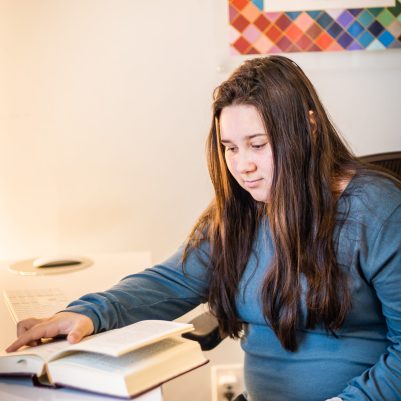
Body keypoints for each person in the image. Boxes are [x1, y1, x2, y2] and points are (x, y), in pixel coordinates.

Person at [6, 56, 401, 401]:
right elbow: (171, 281)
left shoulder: (377, 209)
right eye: (230, 147)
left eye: (258, 144)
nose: (242, 165)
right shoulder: (242, 210)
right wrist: (88, 313)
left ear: (309, 128)